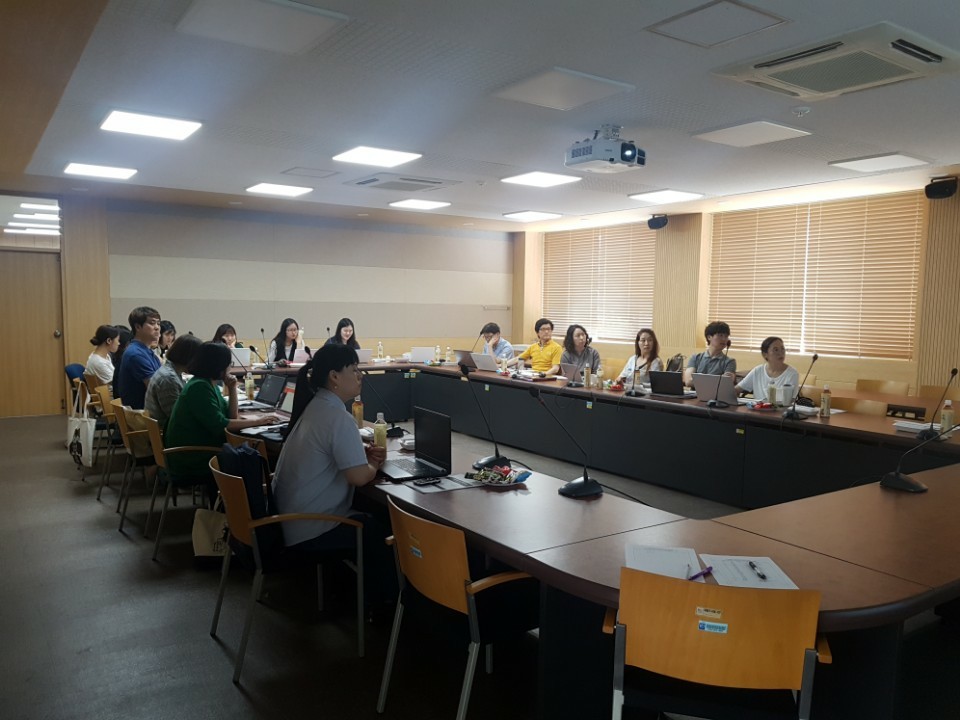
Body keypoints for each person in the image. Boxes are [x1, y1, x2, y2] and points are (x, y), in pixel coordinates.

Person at [271, 344, 393, 600]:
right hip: (310, 529)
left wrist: (359, 454)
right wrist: (374, 464)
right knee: (381, 530)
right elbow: (358, 477)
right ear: (334, 376)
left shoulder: (316, 406)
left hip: (288, 521)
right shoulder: (338, 417)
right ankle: (381, 607)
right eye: (354, 369)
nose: (360, 375)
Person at [164, 343, 279, 479]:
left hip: (201, 449)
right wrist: (258, 421)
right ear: (218, 365)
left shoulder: (207, 384)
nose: (230, 367)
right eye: (229, 363)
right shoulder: (199, 387)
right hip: (192, 457)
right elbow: (221, 424)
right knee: (260, 456)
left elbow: (232, 416)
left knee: (254, 452)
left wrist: (232, 388)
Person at [144, 334, 203, 432]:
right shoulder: (168, 379)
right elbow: (178, 417)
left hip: (166, 428)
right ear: (189, 357)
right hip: (166, 432)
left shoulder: (171, 371)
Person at [116, 307, 162, 409]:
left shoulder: (146, 350)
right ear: (137, 327)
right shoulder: (136, 354)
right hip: (141, 414)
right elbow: (156, 389)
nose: (157, 327)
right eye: (152, 323)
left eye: (158, 324)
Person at [736, 336, 800, 403]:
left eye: (782, 349)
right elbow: (737, 389)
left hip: (782, 410)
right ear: (765, 354)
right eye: (776, 350)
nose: (780, 353)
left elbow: (792, 401)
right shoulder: (757, 371)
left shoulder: (792, 373)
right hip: (758, 409)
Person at [683, 321, 736, 387]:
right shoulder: (696, 357)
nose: (724, 339)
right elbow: (688, 381)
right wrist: (716, 381)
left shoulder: (730, 361)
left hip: (715, 394)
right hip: (695, 393)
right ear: (709, 337)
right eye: (720, 335)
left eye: (726, 336)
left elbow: (725, 383)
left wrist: (698, 380)